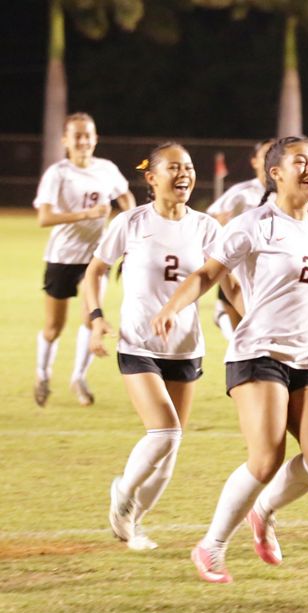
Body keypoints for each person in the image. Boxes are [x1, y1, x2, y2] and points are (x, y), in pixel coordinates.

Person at [150, 136, 308, 584]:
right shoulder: (254, 224)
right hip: (258, 352)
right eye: (301, 161)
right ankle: (212, 546)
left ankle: (263, 510)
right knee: (266, 459)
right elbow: (208, 273)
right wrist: (172, 308)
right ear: (275, 173)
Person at [80, 143, 222, 550]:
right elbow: (95, 272)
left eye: (188, 167)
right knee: (165, 432)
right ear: (152, 178)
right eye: (174, 168)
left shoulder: (207, 227)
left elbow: (224, 279)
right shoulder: (131, 222)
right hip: (138, 344)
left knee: (171, 448)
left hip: (186, 347)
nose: (184, 174)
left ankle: (134, 523)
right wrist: (96, 318)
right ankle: (123, 493)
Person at [32, 112, 136, 407]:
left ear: (96, 138)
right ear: (65, 140)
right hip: (62, 257)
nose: (83, 141)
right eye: (77, 135)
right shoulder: (58, 173)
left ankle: (78, 377)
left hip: (96, 258)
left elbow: (125, 196)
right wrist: (87, 214)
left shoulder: (106, 169)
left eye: (88, 135)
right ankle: (42, 374)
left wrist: (129, 223)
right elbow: (44, 218)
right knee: (54, 326)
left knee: (92, 319)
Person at [205, 138, 272, 339]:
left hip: (269, 270)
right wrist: (219, 220)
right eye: (266, 155)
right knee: (242, 336)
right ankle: (224, 312)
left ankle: (223, 314)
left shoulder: (285, 195)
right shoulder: (242, 192)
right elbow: (210, 218)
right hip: (238, 270)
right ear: (254, 161)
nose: (272, 159)